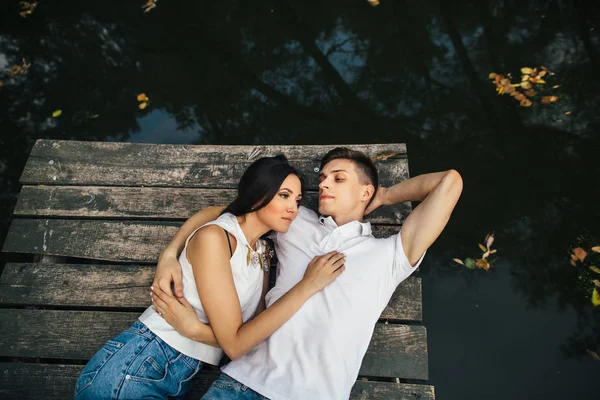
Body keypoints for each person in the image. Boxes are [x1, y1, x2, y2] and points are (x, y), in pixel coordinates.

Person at [152, 147, 463, 400]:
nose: (324, 184)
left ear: (364, 191)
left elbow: (449, 182)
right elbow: (223, 214)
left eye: (338, 179)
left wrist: (384, 195)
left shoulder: (390, 254)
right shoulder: (295, 221)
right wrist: (170, 253)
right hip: (242, 383)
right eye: (324, 177)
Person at [73, 155, 346, 399]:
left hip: (173, 375)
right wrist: (307, 286)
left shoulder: (261, 249)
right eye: (284, 196)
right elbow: (238, 344)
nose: (293, 209)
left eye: (297, 200)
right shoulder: (216, 238)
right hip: (137, 366)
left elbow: (255, 333)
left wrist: (169, 253)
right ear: (259, 195)